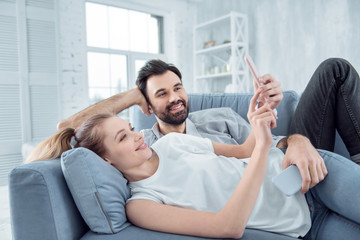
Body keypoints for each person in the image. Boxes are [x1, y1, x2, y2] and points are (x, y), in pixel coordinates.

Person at [27, 91, 360, 239]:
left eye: (129, 129)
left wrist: (255, 123)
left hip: (305, 172)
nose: (137, 136)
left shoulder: (171, 141)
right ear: (106, 160)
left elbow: (244, 151)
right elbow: (227, 228)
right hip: (304, 225)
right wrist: (260, 147)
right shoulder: (141, 204)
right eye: (122, 138)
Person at [46, 58, 360, 194]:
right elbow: (68, 127)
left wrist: (294, 137)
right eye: (161, 93)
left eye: (178, 87)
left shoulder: (219, 116)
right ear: (147, 104)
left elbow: (266, 146)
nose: (175, 98)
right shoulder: (144, 147)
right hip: (277, 189)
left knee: (335, 69)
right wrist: (130, 96)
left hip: (289, 163)